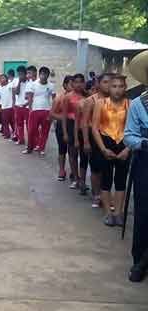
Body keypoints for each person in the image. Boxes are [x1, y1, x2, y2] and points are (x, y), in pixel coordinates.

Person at [91, 75, 130, 227]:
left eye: (121, 86)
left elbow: (135, 129)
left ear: (125, 88)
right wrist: (102, 149)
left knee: (121, 181)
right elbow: (95, 128)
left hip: (124, 143)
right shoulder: (100, 103)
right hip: (105, 143)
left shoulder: (130, 104)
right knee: (106, 180)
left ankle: (118, 213)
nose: (117, 90)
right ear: (108, 87)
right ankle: (108, 213)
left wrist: (127, 149)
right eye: (114, 86)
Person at [124, 50, 148, 282]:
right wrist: (143, 142)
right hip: (145, 162)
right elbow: (128, 136)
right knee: (143, 214)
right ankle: (139, 260)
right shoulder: (138, 105)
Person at [80, 73, 113, 207]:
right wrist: (86, 142)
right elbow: (84, 122)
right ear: (98, 84)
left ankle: (106, 195)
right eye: (105, 82)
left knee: (108, 169)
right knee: (96, 168)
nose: (108, 85)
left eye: (111, 82)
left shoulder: (114, 100)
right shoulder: (91, 100)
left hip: (111, 138)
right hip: (95, 138)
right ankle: (96, 195)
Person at [61, 73, 87, 191]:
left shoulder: (87, 96)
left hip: (84, 127)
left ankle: (82, 180)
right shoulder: (68, 97)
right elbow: (64, 116)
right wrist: (65, 133)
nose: (78, 84)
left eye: (81, 82)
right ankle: (76, 178)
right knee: (73, 153)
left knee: (84, 154)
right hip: (71, 126)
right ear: (72, 83)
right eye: (76, 82)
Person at [24, 66, 55, 155]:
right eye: (42, 74)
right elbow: (29, 98)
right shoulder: (33, 84)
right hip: (35, 110)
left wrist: (52, 113)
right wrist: (30, 110)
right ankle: (29, 148)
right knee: (31, 131)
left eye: (45, 74)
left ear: (48, 75)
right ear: (39, 74)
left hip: (46, 110)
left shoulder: (51, 85)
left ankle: (41, 148)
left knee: (45, 131)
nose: (43, 76)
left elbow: (53, 100)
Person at [50, 75, 73, 180]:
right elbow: (52, 114)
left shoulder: (80, 98)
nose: (73, 86)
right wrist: (64, 118)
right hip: (61, 126)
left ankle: (74, 171)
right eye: (71, 84)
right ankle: (62, 170)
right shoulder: (59, 98)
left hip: (75, 127)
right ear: (64, 85)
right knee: (62, 149)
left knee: (73, 150)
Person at [12, 65, 29, 145]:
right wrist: (19, 82)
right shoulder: (16, 81)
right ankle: (21, 139)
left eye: (21, 74)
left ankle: (31, 141)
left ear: (25, 74)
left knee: (29, 125)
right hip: (18, 106)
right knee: (19, 124)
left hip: (27, 107)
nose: (20, 76)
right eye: (19, 74)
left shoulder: (30, 82)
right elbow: (17, 92)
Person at [0, 73, 14, 139]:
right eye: (0, 79)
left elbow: (14, 94)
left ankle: (15, 134)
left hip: (11, 107)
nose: (1, 80)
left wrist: (14, 104)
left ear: (6, 79)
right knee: (5, 122)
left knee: (13, 122)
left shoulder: (10, 85)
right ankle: (7, 134)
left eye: (3, 78)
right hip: (4, 107)